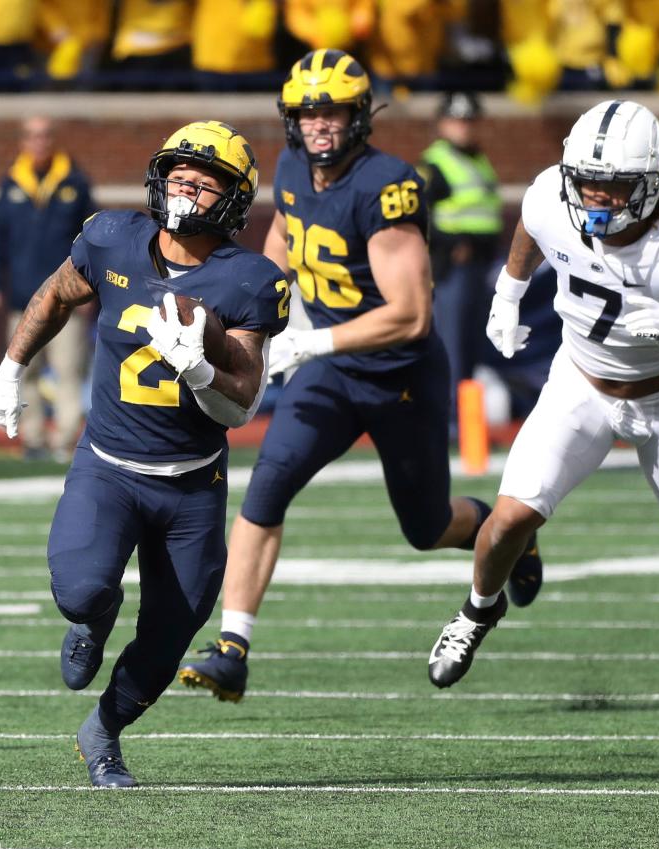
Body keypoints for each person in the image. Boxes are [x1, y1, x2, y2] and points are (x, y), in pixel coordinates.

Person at [427, 100, 659, 759]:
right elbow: (534, 231)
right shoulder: (551, 195)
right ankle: (478, 610)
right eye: (585, 181)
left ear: (649, 185)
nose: (593, 196)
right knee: (509, 518)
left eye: (612, 185)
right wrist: (508, 294)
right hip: (581, 385)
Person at [177, 49, 542, 703]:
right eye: (306, 111)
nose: (318, 124)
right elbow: (285, 237)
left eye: (332, 110)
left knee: (426, 527)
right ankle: (232, 646)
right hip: (331, 371)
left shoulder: (388, 184)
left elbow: (409, 314)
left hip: (399, 375)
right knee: (265, 491)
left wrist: (310, 337)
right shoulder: (291, 166)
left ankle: (507, 531)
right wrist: (263, 313)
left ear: (360, 115)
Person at [0, 120, 289, 787]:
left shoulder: (248, 282)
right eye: (179, 176)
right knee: (81, 589)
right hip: (110, 469)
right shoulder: (112, 238)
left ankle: (104, 734)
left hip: (192, 485)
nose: (186, 191)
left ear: (233, 201)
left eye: (203, 184)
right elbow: (56, 293)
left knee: (167, 638)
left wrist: (202, 368)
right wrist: (12, 365)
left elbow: (240, 404)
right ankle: (95, 620)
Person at [0, 117, 97, 462]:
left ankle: (64, 441)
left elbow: (91, 240)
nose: (40, 142)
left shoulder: (75, 181)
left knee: (68, 372)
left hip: (68, 300)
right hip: (23, 298)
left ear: (53, 140)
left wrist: (90, 289)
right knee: (22, 370)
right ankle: (31, 439)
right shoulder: (10, 182)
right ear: (23, 141)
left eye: (46, 135)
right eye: (33, 136)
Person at [418, 91, 503, 432]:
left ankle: (467, 428)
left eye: (469, 120)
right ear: (442, 123)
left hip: (480, 266)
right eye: (457, 120)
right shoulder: (435, 164)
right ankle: (450, 424)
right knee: (451, 348)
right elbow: (417, 215)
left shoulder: (478, 160)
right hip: (452, 268)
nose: (464, 128)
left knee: (470, 349)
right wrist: (450, 245)